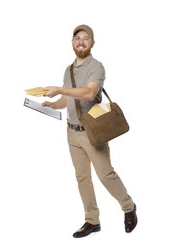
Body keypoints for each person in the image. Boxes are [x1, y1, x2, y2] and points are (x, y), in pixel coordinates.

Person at [42, 24, 138, 238]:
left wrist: (60, 89)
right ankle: (92, 221)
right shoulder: (68, 70)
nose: (81, 41)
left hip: (93, 132)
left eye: (86, 38)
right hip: (71, 132)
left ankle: (128, 206)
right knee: (82, 177)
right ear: (72, 43)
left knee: (106, 174)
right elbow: (67, 99)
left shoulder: (97, 67)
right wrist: (52, 103)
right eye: (77, 38)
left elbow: (88, 93)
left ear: (92, 43)